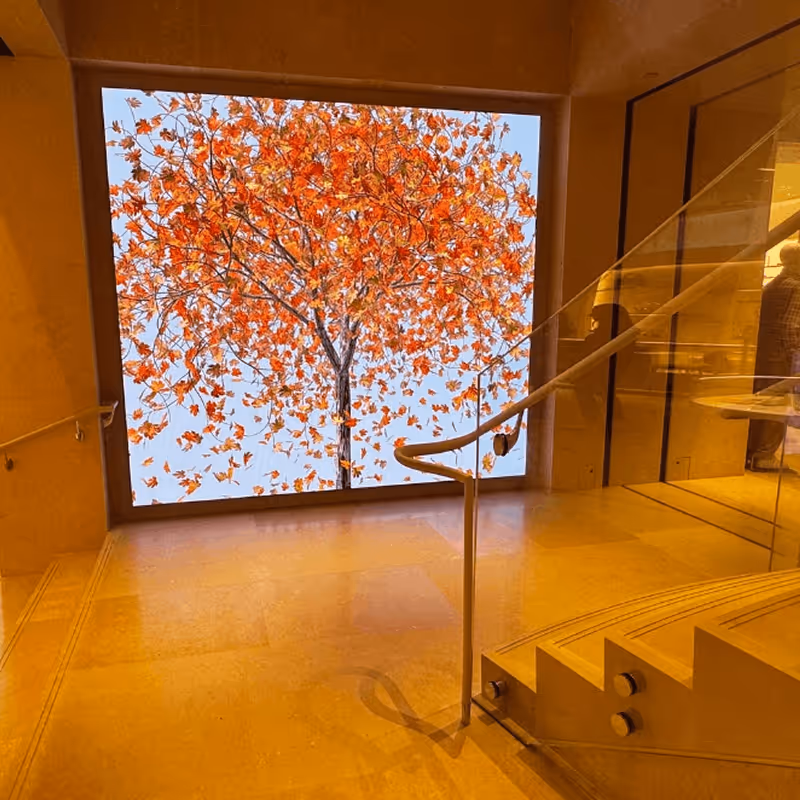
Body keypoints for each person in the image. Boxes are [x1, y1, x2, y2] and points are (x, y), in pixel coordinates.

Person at [747, 241, 800, 471]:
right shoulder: (797, 287)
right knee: (779, 406)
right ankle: (764, 455)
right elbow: (791, 327)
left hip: (764, 354)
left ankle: (750, 452)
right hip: (781, 357)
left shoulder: (772, 286)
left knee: (761, 404)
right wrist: (794, 357)